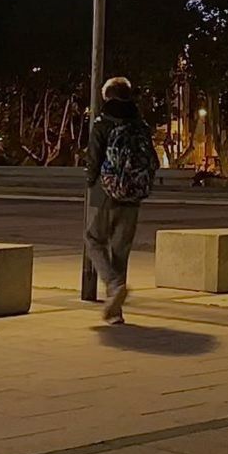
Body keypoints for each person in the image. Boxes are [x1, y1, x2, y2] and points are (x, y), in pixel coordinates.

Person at [85, 76, 157, 324]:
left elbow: (93, 159)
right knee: (120, 251)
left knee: (93, 239)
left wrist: (90, 181)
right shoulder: (140, 124)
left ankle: (114, 285)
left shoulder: (102, 122)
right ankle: (115, 312)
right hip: (133, 195)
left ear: (108, 96)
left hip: (105, 193)